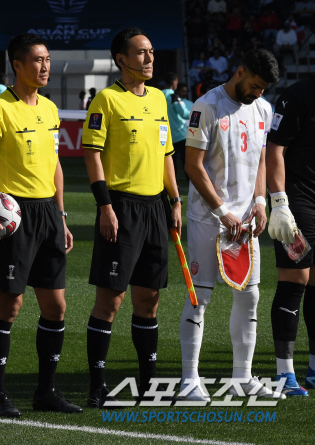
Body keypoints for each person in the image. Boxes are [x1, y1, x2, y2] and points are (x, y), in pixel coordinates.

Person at [0, 33, 81, 418]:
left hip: (48, 213)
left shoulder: (50, 110)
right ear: (17, 65)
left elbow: (54, 165)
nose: (45, 66)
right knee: (10, 305)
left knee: (56, 306)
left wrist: (61, 215)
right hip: (13, 217)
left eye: (47, 59)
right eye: (37, 60)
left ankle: (45, 391)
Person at [83, 27, 182, 408]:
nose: (149, 58)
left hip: (156, 207)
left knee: (149, 299)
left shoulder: (159, 99)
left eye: (152, 51)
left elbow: (166, 154)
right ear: (121, 59)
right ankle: (97, 385)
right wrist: (104, 206)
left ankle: (149, 385)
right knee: (111, 299)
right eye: (141, 53)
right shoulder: (106, 100)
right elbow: (92, 155)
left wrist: (175, 200)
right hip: (121, 207)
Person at [180, 49, 284, 402]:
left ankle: (243, 377)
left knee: (250, 295)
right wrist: (222, 210)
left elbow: (258, 161)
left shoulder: (264, 109)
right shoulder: (206, 106)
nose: (258, 94)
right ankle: (189, 380)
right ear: (239, 72)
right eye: (255, 86)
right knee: (200, 297)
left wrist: (259, 202)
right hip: (208, 220)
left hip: (245, 222)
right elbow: (192, 166)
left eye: (263, 89)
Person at [266, 76, 315, 396]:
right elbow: (274, 150)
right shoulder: (297, 95)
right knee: (294, 280)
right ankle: (285, 373)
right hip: (298, 201)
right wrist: (279, 203)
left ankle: (313, 369)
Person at [162, 72, 191, 175]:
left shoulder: (158, 95)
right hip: (180, 135)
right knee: (187, 164)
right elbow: (184, 114)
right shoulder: (174, 97)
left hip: (165, 136)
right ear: (174, 83)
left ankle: (173, 187)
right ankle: (191, 188)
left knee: (170, 166)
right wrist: (198, 113)